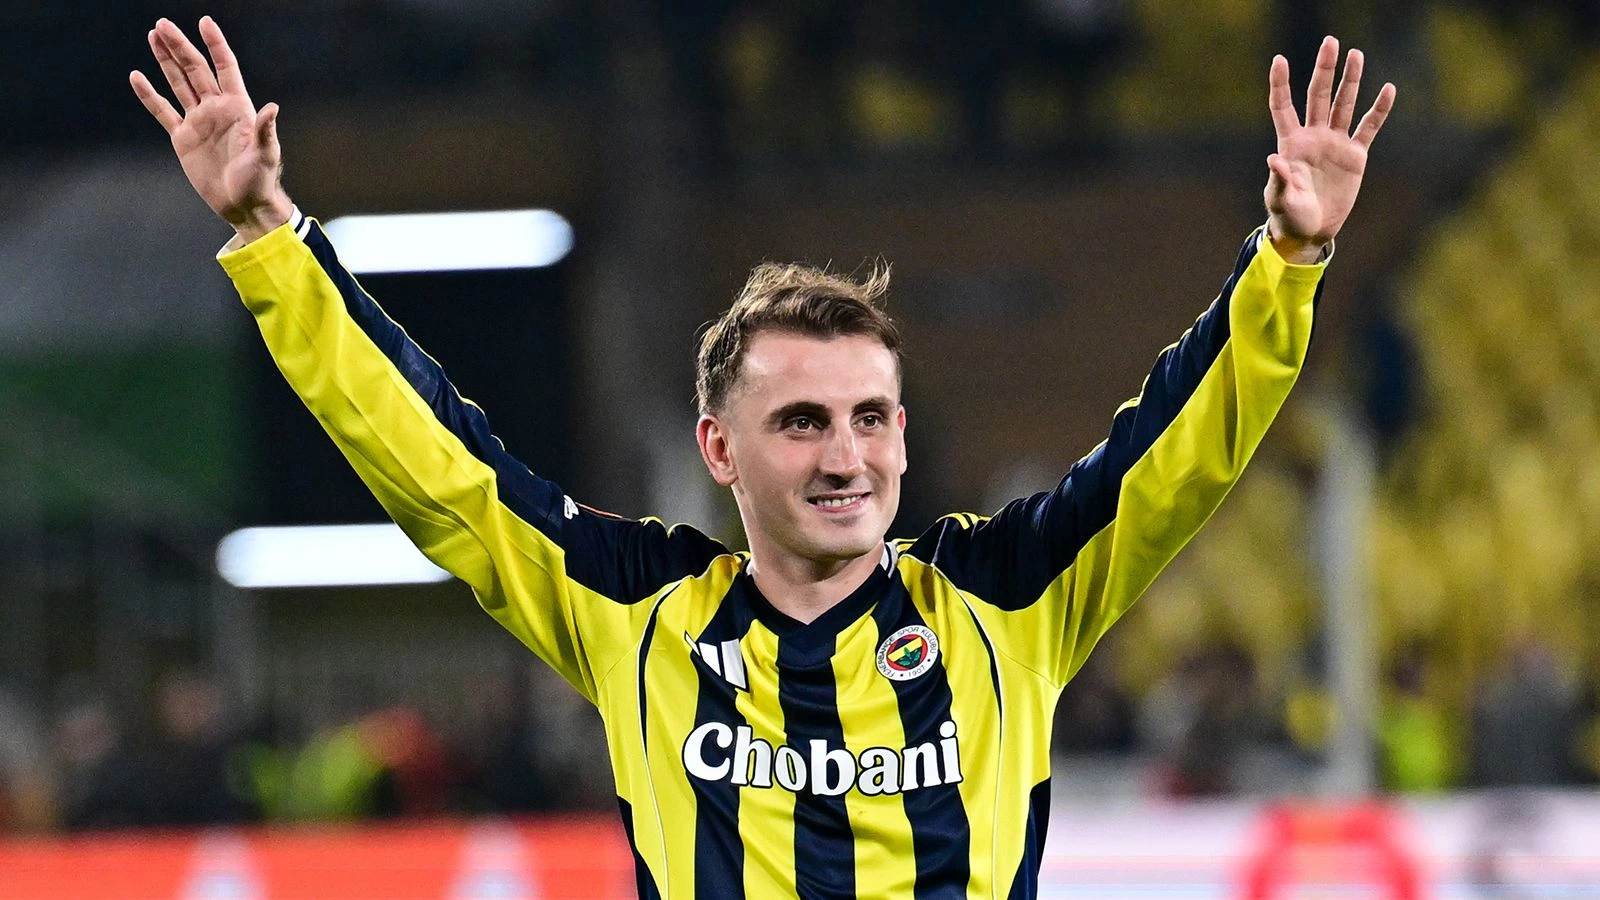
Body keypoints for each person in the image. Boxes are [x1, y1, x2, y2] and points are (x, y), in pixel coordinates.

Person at [131, 17, 1394, 898]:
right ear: (718, 449)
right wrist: (273, 239)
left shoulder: (1005, 599)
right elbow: (437, 465)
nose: (847, 456)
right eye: (801, 422)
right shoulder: (638, 611)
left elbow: (1176, 451)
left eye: (869, 417)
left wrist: (1286, 263)